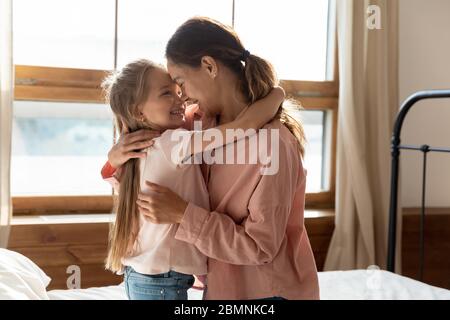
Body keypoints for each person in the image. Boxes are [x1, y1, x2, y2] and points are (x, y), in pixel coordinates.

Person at [101, 58, 284, 300]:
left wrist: (110, 162)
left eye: (179, 90)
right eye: (167, 93)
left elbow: (111, 177)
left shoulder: (138, 152)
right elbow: (245, 125)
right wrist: (278, 94)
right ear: (138, 111)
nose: (181, 99)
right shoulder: (173, 143)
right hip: (162, 280)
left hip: (141, 275)